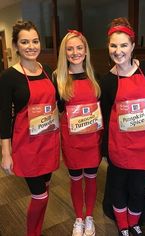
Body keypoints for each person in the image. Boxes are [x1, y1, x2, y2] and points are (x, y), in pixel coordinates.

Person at [101, 17, 145, 236]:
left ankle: (134, 223)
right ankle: (123, 226)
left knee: (138, 190)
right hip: (119, 145)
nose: (118, 51)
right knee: (118, 189)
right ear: (108, 47)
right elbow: (106, 118)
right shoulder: (107, 81)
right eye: (113, 45)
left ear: (133, 46)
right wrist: (105, 150)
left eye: (123, 45)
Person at [0, 20, 60, 236]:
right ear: (15, 46)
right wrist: (6, 154)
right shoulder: (8, 77)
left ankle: (38, 229)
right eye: (24, 42)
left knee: (45, 189)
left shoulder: (48, 70)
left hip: (48, 141)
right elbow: (4, 118)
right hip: (26, 145)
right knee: (40, 196)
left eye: (35, 41)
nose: (31, 46)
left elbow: (57, 104)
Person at [53, 29, 102, 236]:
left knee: (91, 178)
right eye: (70, 49)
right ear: (64, 52)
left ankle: (89, 216)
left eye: (79, 48)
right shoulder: (58, 78)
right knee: (75, 179)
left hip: (92, 138)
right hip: (71, 140)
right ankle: (78, 219)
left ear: (86, 50)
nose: (75, 52)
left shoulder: (95, 75)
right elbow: (55, 111)